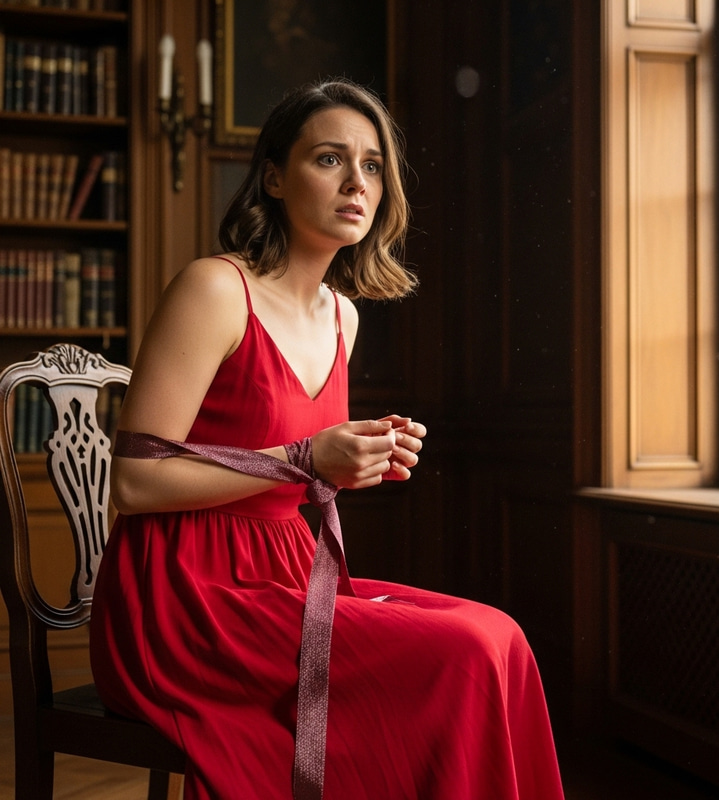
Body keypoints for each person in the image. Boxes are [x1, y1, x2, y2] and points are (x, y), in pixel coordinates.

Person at [90, 78, 564, 800]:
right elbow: (133, 480)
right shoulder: (216, 289)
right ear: (274, 177)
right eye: (329, 159)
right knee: (463, 652)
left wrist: (358, 457)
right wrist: (309, 460)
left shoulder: (345, 316)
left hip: (283, 572)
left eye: (372, 166)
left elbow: (299, 470)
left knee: (499, 636)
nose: (356, 183)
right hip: (186, 593)